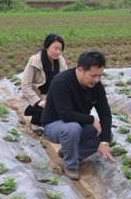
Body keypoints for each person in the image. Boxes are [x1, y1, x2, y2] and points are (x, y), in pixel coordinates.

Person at [42, 50, 114, 180]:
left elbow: (105, 113)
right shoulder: (61, 82)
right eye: (93, 75)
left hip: (78, 124)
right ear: (81, 69)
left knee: (107, 135)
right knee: (72, 128)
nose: (96, 80)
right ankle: (71, 165)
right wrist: (91, 119)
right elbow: (66, 115)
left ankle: (70, 153)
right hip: (54, 125)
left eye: (100, 76)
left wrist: (104, 142)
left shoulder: (96, 86)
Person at [20, 34, 67, 133]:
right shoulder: (35, 61)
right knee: (44, 110)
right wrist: (38, 101)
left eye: (60, 49)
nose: (58, 52)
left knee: (65, 112)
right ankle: (35, 124)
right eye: (55, 48)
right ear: (47, 46)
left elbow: (65, 81)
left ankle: (47, 121)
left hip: (49, 98)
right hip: (31, 100)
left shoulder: (61, 61)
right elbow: (25, 85)